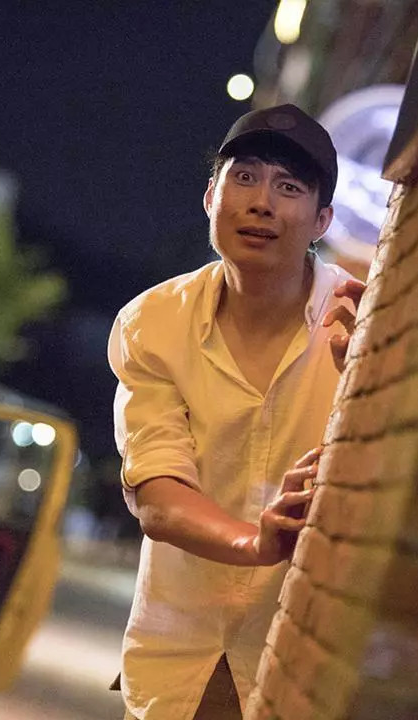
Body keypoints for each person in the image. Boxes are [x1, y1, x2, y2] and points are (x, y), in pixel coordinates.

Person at [108, 103, 366, 720]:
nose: (261, 203)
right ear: (210, 198)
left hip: (308, 655)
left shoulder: (361, 320)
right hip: (180, 657)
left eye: (289, 187)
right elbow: (158, 494)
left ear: (322, 219)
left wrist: (368, 373)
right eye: (244, 177)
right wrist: (258, 542)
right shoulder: (153, 324)